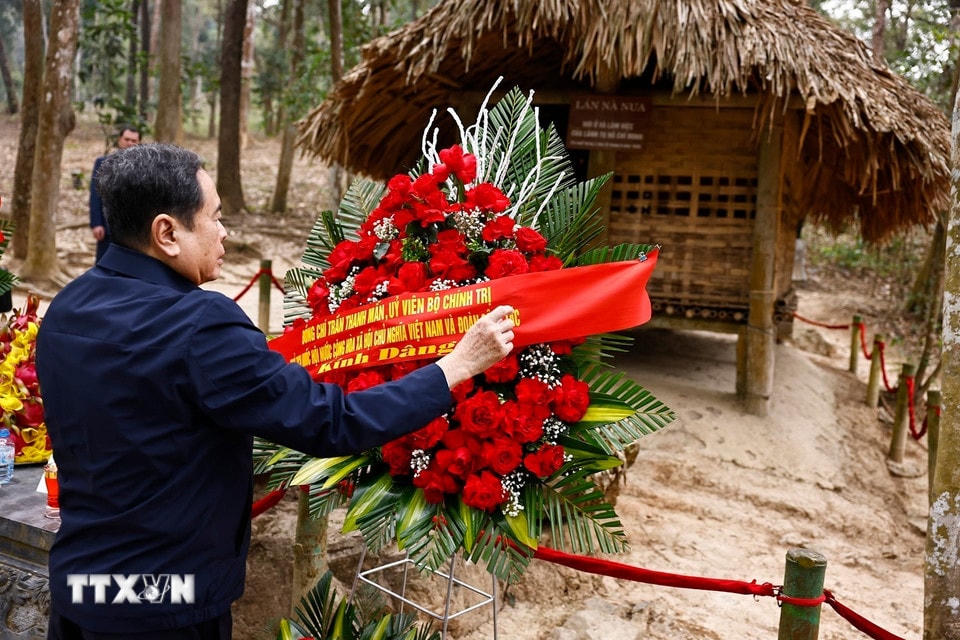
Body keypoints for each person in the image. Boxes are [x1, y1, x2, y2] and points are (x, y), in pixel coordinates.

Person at [37, 144, 515, 639]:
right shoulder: (199, 325)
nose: (225, 233)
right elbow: (332, 421)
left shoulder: (69, 307)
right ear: (167, 232)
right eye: (215, 218)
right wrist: (454, 367)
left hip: (81, 586)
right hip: (163, 600)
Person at [89, 125, 141, 263]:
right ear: (120, 140)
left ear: (139, 142)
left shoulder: (145, 167)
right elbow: (95, 195)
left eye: (134, 141)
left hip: (134, 230)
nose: (130, 143)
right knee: (104, 264)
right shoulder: (103, 163)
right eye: (127, 139)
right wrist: (96, 223)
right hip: (107, 228)